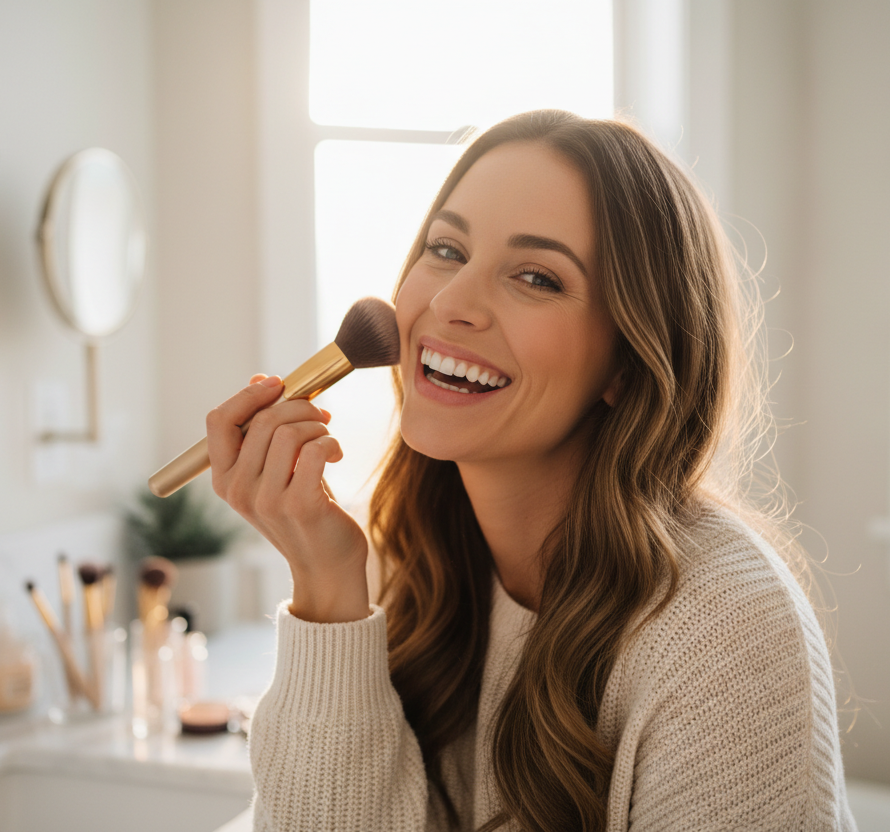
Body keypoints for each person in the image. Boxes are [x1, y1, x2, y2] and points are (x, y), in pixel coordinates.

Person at [204, 110, 855, 831]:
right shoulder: (410, 558)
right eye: (446, 249)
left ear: (628, 359)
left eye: (537, 277)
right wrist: (326, 588)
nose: (449, 305)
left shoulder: (724, 630)